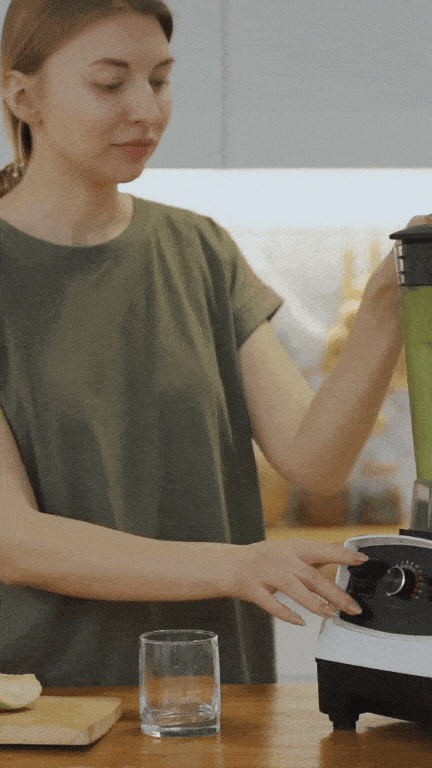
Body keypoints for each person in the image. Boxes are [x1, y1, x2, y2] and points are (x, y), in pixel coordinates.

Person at [0, 0, 423, 687]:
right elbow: (13, 541)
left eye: (160, 80)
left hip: (215, 690)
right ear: (24, 96)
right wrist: (237, 565)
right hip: (47, 703)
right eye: (111, 83)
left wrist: (387, 298)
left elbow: (314, 461)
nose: (147, 109)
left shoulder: (198, 249)